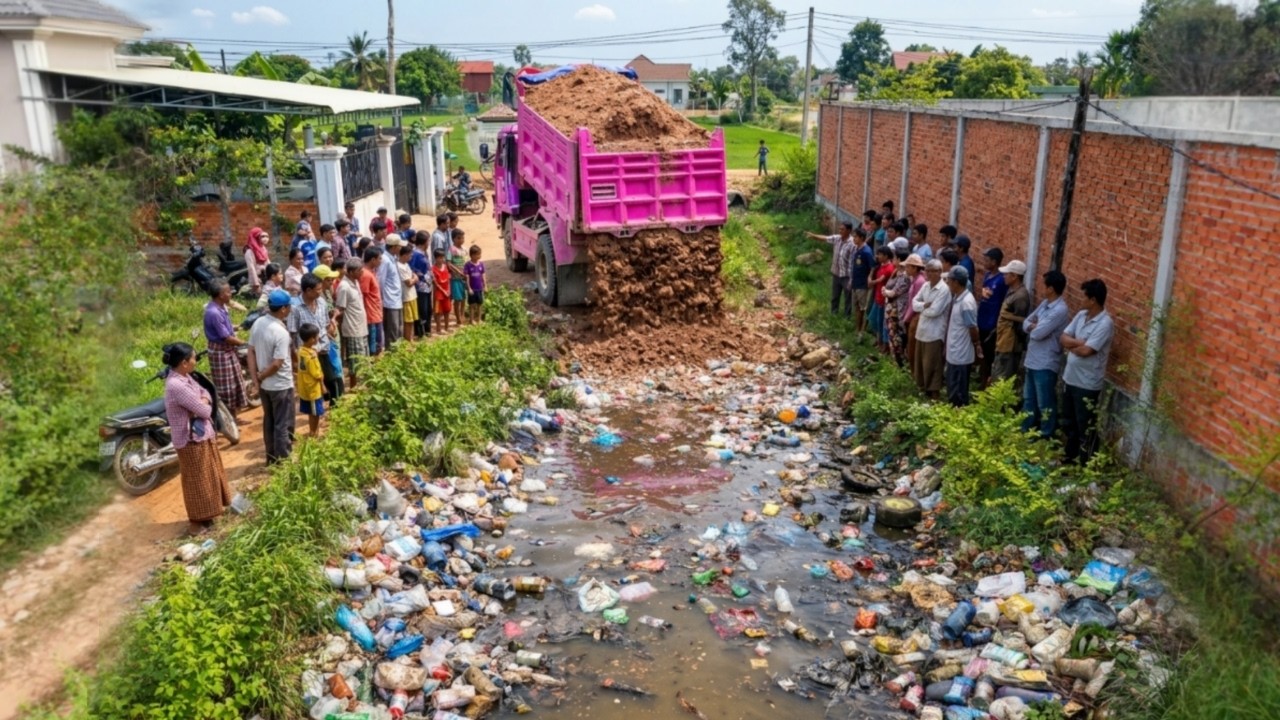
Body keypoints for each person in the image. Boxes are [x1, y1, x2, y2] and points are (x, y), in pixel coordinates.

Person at [161, 342, 232, 535]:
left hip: (200, 437)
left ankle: (207, 517)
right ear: (184, 362)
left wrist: (203, 400)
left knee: (207, 476)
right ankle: (196, 523)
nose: (195, 361)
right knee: (196, 481)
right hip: (190, 441)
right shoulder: (176, 385)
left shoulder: (185, 378)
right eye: (193, 358)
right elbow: (205, 409)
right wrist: (203, 403)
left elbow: (205, 393)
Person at [1060, 279, 1114, 464]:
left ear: (1093, 299)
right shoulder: (1081, 315)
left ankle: (1086, 463)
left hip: (1087, 383)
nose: (1080, 299)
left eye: (1084, 296)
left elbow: (1087, 351)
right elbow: (1063, 338)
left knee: (1085, 425)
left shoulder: (1105, 323)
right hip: (1070, 378)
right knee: (1069, 422)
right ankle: (1069, 456)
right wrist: (1079, 342)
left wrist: (1074, 345)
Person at [247, 290, 295, 465]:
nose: (290, 309)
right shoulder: (280, 332)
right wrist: (260, 376)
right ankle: (283, 461)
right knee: (283, 423)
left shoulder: (258, 323)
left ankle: (271, 458)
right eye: (289, 306)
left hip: (265, 386)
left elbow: (250, 351)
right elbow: (277, 364)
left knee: (269, 420)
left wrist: (256, 380)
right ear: (283, 309)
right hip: (280, 385)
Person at [1021, 270, 1071, 437]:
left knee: (1045, 403)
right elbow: (1026, 322)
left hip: (1046, 361)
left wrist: (1035, 327)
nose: (1042, 288)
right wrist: (1034, 325)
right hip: (1032, 359)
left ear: (1051, 288)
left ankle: (1045, 435)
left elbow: (1036, 333)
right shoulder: (1045, 304)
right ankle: (1026, 431)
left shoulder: (1059, 310)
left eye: (1045, 285)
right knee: (1029, 400)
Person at [289, 272, 341, 403]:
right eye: (318, 290)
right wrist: (295, 357)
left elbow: (325, 325)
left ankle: (334, 412)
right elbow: (292, 334)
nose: (320, 292)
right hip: (308, 355)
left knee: (332, 381)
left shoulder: (322, 302)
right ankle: (316, 415)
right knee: (313, 386)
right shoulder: (295, 309)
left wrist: (331, 328)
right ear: (308, 290)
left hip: (323, 349)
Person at [203, 280, 249, 414]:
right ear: (220, 295)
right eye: (228, 292)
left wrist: (238, 326)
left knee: (235, 380)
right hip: (221, 352)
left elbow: (225, 328)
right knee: (227, 386)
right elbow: (226, 337)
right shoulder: (214, 313)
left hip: (227, 350)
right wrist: (245, 344)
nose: (231, 294)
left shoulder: (221, 308)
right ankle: (229, 415)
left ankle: (234, 412)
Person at [911, 259, 951, 399]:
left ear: (939, 272)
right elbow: (914, 303)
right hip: (922, 330)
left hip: (934, 333)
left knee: (933, 365)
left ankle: (934, 396)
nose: (928, 273)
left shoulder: (944, 290)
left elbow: (935, 311)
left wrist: (921, 308)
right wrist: (924, 306)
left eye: (931, 271)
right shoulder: (926, 286)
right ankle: (924, 391)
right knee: (921, 363)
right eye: (927, 270)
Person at [943, 266, 980, 407]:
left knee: (958, 391)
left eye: (949, 281)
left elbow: (973, 328)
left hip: (961, 354)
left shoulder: (967, 303)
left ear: (956, 283)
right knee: (952, 386)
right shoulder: (958, 297)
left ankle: (958, 418)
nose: (947, 284)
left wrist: (976, 345)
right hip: (954, 351)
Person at [993, 259, 1031, 385]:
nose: (1004, 276)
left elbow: (1021, 325)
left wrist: (1008, 317)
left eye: (1007, 274)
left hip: (1010, 346)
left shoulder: (1020, 296)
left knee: (1003, 381)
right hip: (1003, 341)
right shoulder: (1012, 292)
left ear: (1014, 276)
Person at [804, 222, 854, 316]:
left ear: (849, 231)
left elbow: (853, 262)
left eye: (842, 229)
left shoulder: (852, 244)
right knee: (835, 296)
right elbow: (825, 238)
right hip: (836, 273)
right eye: (839, 229)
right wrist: (814, 236)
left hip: (846, 275)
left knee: (848, 297)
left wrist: (852, 278)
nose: (840, 231)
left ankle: (847, 317)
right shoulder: (837, 239)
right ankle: (834, 314)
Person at [976, 247, 1009, 387]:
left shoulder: (1001, 280)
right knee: (981, 353)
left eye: (987, 260)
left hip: (992, 323)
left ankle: (988, 384)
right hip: (982, 319)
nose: (984, 262)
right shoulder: (987, 276)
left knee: (989, 355)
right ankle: (982, 379)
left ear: (995, 262)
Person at [334, 258, 368, 388]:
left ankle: (360, 385)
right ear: (352, 271)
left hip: (361, 326)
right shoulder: (344, 287)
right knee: (355, 361)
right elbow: (340, 309)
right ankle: (354, 387)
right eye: (360, 271)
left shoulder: (355, 282)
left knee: (362, 359)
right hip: (353, 328)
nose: (362, 273)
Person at [883, 248, 912, 366]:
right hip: (892, 308)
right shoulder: (898, 272)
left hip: (898, 310)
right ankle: (895, 360)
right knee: (892, 335)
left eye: (894, 258)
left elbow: (894, 292)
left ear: (900, 260)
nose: (893, 260)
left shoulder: (904, 276)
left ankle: (898, 363)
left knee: (896, 337)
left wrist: (886, 291)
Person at [296, 323, 325, 437]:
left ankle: (312, 431)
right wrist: (323, 385)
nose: (318, 338)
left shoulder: (301, 351)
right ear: (312, 339)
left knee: (311, 412)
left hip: (304, 388)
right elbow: (317, 374)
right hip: (313, 390)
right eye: (317, 336)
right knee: (315, 413)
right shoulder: (311, 356)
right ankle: (314, 433)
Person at [901, 253, 928, 369]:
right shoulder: (915, 279)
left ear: (915, 268)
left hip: (915, 317)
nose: (906, 269)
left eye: (908, 267)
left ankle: (914, 371)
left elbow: (914, 304)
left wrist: (906, 318)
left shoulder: (919, 282)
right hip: (911, 316)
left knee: (912, 346)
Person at [379, 235, 406, 348]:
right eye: (400, 246)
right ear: (394, 247)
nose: (401, 248)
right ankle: (393, 354)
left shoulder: (392, 258)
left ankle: (398, 352)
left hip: (396, 299)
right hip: (390, 301)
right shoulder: (385, 260)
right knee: (392, 330)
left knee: (399, 328)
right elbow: (380, 280)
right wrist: (382, 299)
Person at [847, 226, 874, 331]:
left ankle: (861, 330)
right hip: (855, 282)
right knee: (857, 306)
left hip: (862, 284)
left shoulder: (867, 252)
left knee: (862, 308)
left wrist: (869, 277)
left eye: (856, 237)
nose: (854, 239)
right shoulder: (857, 249)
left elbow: (872, 266)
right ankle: (857, 328)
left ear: (862, 238)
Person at [359, 247, 385, 355]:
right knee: (374, 344)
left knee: (378, 342)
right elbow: (363, 295)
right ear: (373, 260)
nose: (381, 261)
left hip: (376, 312)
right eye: (379, 259)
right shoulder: (366, 274)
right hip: (371, 315)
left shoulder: (371, 272)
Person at [869, 245, 895, 351]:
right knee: (873, 319)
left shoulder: (889, 268)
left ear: (885, 256)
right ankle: (878, 339)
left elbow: (880, 280)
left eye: (879, 254)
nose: (877, 256)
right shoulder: (881, 265)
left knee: (882, 323)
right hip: (877, 297)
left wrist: (870, 281)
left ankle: (883, 344)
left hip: (883, 299)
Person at [411, 231, 433, 337]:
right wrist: (421, 277)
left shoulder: (424, 252)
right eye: (428, 241)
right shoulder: (415, 254)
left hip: (427, 285)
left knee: (428, 309)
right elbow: (412, 269)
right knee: (422, 309)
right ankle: (421, 332)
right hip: (421, 286)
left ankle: (428, 330)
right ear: (424, 242)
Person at [398, 244, 419, 342]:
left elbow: (413, 276)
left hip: (412, 295)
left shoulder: (406, 264)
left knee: (412, 319)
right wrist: (415, 279)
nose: (411, 257)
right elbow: (409, 282)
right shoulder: (399, 266)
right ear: (404, 255)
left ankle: (411, 338)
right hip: (406, 297)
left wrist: (413, 278)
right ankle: (408, 340)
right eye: (410, 255)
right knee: (408, 320)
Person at [448, 229, 469, 327]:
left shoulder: (465, 249)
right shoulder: (451, 249)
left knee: (464, 298)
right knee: (457, 299)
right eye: (459, 238)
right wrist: (458, 271)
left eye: (463, 238)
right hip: (455, 278)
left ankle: (462, 315)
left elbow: (467, 262)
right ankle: (458, 319)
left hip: (464, 278)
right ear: (453, 239)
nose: (461, 240)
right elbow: (448, 263)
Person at [432, 249, 453, 334]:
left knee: (447, 310)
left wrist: (448, 290)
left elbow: (448, 280)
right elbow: (435, 283)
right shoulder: (433, 269)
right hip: (439, 293)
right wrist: (443, 291)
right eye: (439, 258)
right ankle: (439, 329)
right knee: (438, 312)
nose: (441, 259)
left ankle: (447, 327)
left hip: (446, 291)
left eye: (442, 257)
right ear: (435, 258)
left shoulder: (445, 267)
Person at [244, 227, 270, 296]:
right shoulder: (249, 252)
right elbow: (251, 268)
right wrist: (256, 283)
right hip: (257, 280)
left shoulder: (263, 249)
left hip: (265, 277)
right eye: (261, 236)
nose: (263, 238)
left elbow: (268, 262)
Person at [465, 244, 486, 324]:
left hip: (479, 288)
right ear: (472, 255)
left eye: (480, 254)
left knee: (479, 304)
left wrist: (485, 285)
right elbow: (467, 277)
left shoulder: (481, 264)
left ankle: (479, 319)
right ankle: (471, 319)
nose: (479, 256)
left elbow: (483, 274)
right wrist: (469, 288)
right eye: (478, 254)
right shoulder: (468, 265)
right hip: (472, 289)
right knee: (472, 305)